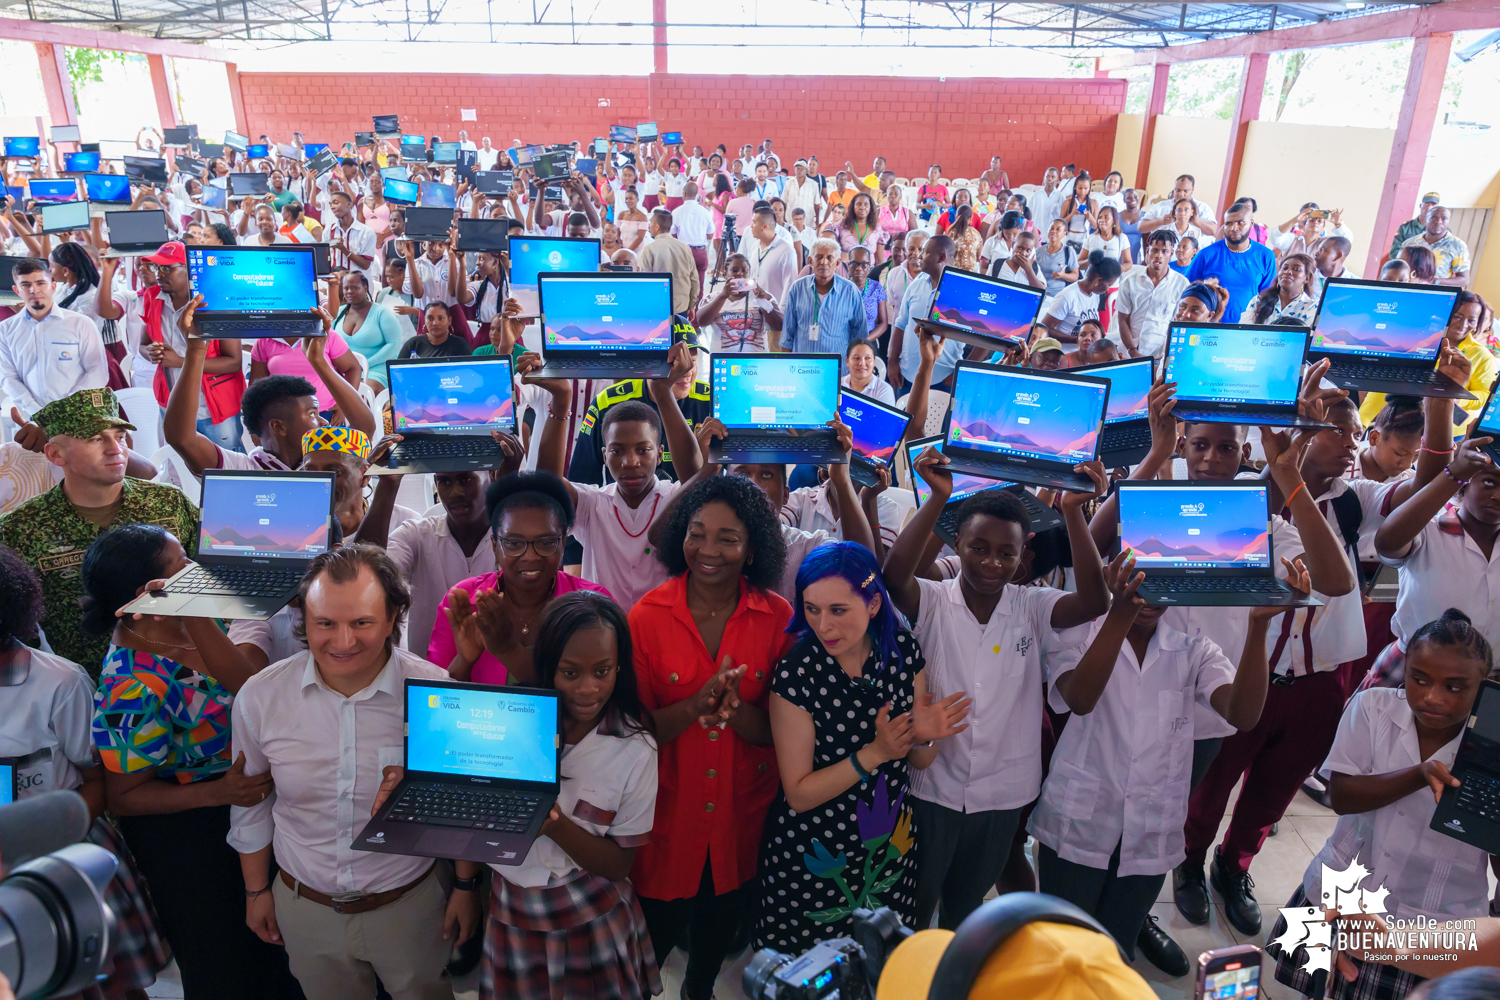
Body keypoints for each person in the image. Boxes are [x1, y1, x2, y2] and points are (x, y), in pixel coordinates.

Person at [229, 545, 475, 1000]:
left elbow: (460, 802)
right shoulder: (260, 698)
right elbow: (252, 803)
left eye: (361, 622)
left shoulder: (436, 695)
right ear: (303, 618)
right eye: (325, 623)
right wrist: (255, 891)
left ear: (392, 616)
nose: (342, 643)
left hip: (410, 903)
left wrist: (464, 885)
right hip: (305, 908)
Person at [882, 445, 1110, 931]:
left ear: (1022, 554)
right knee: (912, 905)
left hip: (1004, 793)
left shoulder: (1031, 606)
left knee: (965, 908)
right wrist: (937, 499)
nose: (991, 562)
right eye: (978, 548)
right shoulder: (935, 601)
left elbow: (1094, 601)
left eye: (1006, 553)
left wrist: (1073, 511)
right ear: (957, 545)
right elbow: (893, 577)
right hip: (931, 789)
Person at [1031, 551, 1290, 966]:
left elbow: (1242, 715)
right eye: (1137, 582)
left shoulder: (1194, 650)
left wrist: (1259, 626)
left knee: (1114, 944)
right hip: (1080, 820)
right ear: (1115, 577)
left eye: (1161, 585)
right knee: (1064, 945)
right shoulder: (1078, 635)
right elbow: (1079, 699)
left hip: (1151, 826)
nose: (1148, 596)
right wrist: (1120, 610)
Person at [84, 523, 295, 1000]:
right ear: (150, 595)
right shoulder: (130, 685)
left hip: (243, 808)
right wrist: (219, 792)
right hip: (191, 835)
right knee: (224, 961)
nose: (197, 570)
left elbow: (246, 681)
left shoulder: (196, 619)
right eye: (183, 565)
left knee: (276, 954)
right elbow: (126, 797)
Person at [1266, 610, 1498, 1000]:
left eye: (1455, 687)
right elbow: (1341, 796)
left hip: (1435, 922)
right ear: (1403, 667)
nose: (1432, 697)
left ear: (1484, 687)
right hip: (1345, 893)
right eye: (1418, 679)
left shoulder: (1491, 748)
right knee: (1322, 990)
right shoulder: (1373, 708)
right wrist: (1418, 774)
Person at [627, 474, 793, 1000]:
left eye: (728, 538)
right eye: (697, 533)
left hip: (740, 824)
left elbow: (785, 737)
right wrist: (695, 708)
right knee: (645, 957)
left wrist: (736, 712)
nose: (708, 550)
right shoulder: (646, 617)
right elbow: (631, 732)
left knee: (710, 960)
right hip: (665, 824)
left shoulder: (779, 619)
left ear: (752, 550)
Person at [756, 541, 969, 949]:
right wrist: (876, 753)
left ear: (873, 605)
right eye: (811, 608)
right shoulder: (797, 673)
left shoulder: (902, 652)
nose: (823, 626)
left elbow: (922, 761)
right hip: (816, 853)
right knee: (811, 975)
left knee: (879, 965)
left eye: (838, 610)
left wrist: (922, 734)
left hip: (888, 847)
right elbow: (798, 794)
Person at [459, 590, 661, 999]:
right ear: (549, 668)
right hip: (512, 907)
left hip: (592, 913)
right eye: (570, 673)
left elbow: (620, 863)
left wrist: (550, 823)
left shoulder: (635, 748)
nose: (588, 689)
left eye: (602, 671)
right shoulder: (507, 725)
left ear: (619, 668)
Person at [0, 544, 172, 1000]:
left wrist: (50, 836)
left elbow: (97, 781)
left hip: (62, 852)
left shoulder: (57, 683)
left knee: (104, 988)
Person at [0, 388, 199, 676]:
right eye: (95, 439)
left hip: (184, 676)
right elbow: (19, 626)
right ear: (55, 454)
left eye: (118, 436)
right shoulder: (20, 529)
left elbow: (209, 575)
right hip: (80, 684)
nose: (115, 449)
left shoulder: (168, 502)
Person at [539, 341, 703, 610]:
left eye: (643, 450)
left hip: (661, 635)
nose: (630, 462)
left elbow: (695, 481)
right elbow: (549, 486)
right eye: (617, 451)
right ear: (604, 456)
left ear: (660, 453)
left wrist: (662, 392)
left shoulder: (673, 497)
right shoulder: (594, 503)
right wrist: (561, 402)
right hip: (602, 635)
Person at [431, 470, 611, 685]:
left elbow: (588, 698)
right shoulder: (465, 600)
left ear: (563, 544)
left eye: (545, 543)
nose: (530, 556)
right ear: (495, 545)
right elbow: (432, 701)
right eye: (514, 544)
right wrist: (465, 660)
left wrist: (506, 647)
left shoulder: (593, 604)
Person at [567, 319, 712, 485]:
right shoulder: (607, 402)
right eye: (677, 362)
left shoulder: (711, 400)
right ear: (651, 361)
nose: (687, 371)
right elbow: (581, 482)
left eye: (692, 361)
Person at [1359, 291, 1494, 438]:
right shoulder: (1415, 342)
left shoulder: (1482, 355)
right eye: (1457, 316)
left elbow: (1485, 394)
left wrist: (1456, 398)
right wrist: (1361, 422)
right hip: (1404, 427)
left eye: (1471, 320)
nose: (1463, 324)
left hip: (1449, 433)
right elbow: (1383, 385)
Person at [0, 258, 111, 412]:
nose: (34, 290)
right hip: (34, 417)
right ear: (16, 290)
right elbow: (8, 377)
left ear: (53, 286)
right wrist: (36, 411)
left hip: (78, 413)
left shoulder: (80, 324)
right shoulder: (5, 330)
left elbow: (97, 372)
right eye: (25, 285)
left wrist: (68, 408)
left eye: (40, 283)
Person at [889, 235, 965, 394]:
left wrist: (963, 372)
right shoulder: (916, 285)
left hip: (944, 379)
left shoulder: (962, 292)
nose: (919, 256)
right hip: (908, 377)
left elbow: (983, 340)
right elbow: (901, 324)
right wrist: (892, 362)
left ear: (941, 257)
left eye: (925, 252)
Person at [781, 237, 869, 361]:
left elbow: (860, 335)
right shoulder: (797, 288)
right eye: (819, 257)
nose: (824, 262)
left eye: (829, 258)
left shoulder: (850, 291)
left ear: (838, 263)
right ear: (810, 261)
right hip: (803, 367)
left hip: (838, 368)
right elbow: (787, 336)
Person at [1185, 203, 1275, 322]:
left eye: (1240, 222)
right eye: (1229, 223)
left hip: (1248, 328)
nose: (1234, 228)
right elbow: (1187, 291)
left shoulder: (1265, 255)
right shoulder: (1206, 255)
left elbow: (1268, 297)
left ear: (1251, 224)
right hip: (1210, 328)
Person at [1116, 229, 1187, 359]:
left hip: (1160, 356)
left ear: (1171, 254)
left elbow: (1178, 324)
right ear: (1148, 252)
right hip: (1128, 354)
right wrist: (1132, 351)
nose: (1158, 255)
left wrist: (1168, 352)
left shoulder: (1181, 284)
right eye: (1154, 250)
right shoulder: (1129, 282)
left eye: (1164, 251)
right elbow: (1122, 321)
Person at [330, 271, 404, 392]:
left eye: (354, 287)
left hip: (375, 368)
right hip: (344, 369)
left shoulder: (382, 313)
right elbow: (329, 341)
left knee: (363, 392)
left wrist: (365, 364)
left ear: (365, 287)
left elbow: (394, 345)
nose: (349, 291)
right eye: (346, 288)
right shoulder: (338, 312)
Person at [697, 251, 784, 354]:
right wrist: (722, 296)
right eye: (734, 270)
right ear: (725, 273)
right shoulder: (713, 298)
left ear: (749, 273)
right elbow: (701, 322)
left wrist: (763, 302)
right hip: (724, 363)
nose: (740, 273)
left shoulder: (764, 296)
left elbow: (779, 326)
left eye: (744, 270)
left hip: (756, 362)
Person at [1042, 250, 1121, 350]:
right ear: (1098, 281)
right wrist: (1078, 340)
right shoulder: (1067, 296)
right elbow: (1045, 329)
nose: (1108, 289)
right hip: (1065, 354)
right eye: (1109, 285)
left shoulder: (1094, 295)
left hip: (1084, 354)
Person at [638, 208, 701, 316]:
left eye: (651, 223)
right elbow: (694, 280)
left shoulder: (649, 249)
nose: (649, 226)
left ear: (657, 227)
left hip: (658, 309)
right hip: (682, 307)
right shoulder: (685, 248)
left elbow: (645, 282)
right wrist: (691, 305)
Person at [1401, 205, 1470, 286]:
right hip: (1407, 290)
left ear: (1449, 222)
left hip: (1437, 293)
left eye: (1444, 219)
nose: (1438, 221)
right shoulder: (1410, 243)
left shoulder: (1458, 246)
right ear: (1426, 220)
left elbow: (1464, 280)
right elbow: (1397, 267)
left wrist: (1435, 281)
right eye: (1434, 218)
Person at [742, 205, 797, 306]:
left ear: (765, 227)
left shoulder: (786, 250)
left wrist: (781, 315)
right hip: (753, 310)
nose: (751, 226)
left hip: (773, 313)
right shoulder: (755, 245)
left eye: (754, 222)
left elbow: (790, 285)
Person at [1242, 252, 1318, 325]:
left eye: (1296, 269)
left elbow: (1310, 337)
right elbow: (1244, 332)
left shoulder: (1311, 307)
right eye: (1284, 268)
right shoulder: (1258, 301)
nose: (1288, 272)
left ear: (1307, 278)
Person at [397, 301, 471, 359]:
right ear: (424, 321)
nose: (435, 323)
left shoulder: (460, 345)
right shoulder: (413, 344)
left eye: (440, 318)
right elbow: (398, 371)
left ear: (449, 320)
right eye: (430, 318)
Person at [1389, 191, 1441, 262]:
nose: (1429, 208)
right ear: (1420, 205)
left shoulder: (1441, 231)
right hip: (1407, 268)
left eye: (1433, 205)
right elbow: (1394, 253)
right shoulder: (1405, 228)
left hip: (1428, 270)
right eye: (1426, 204)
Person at [842, 336, 895, 404]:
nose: (862, 363)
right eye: (856, 358)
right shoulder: (836, 385)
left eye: (867, 358)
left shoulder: (884, 390)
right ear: (847, 361)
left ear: (874, 361)